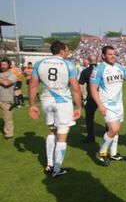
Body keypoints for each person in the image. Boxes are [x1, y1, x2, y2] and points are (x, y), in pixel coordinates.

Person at [28, 41, 82, 177]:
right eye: (67, 50)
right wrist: (79, 107)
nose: (68, 53)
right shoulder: (69, 65)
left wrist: (32, 105)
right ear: (62, 51)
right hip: (63, 103)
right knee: (62, 135)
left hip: (46, 101)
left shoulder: (39, 63)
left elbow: (32, 86)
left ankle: (49, 164)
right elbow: (75, 88)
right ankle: (57, 170)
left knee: (52, 131)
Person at [90, 46, 126, 166]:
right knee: (114, 129)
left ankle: (113, 154)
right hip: (106, 104)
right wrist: (100, 105)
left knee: (116, 130)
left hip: (119, 104)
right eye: (110, 54)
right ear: (103, 56)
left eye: (114, 54)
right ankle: (102, 153)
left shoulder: (120, 68)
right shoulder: (98, 69)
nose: (113, 56)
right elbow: (93, 89)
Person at [78, 55, 99, 143]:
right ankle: (108, 133)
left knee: (89, 118)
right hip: (103, 97)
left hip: (91, 98)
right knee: (107, 117)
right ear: (97, 60)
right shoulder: (102, 70)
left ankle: (91, 137)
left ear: (89, 61)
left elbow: (80, 86)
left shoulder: (85, 71)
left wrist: (81, 97)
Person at [0, 57, 17, 141]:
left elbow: (6, 83)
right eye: (1, 64)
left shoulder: (12, 75)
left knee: (8, 119)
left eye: (4, 64)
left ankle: (9, 135)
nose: (2, 66)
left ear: (9, 66)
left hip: (6, 99)